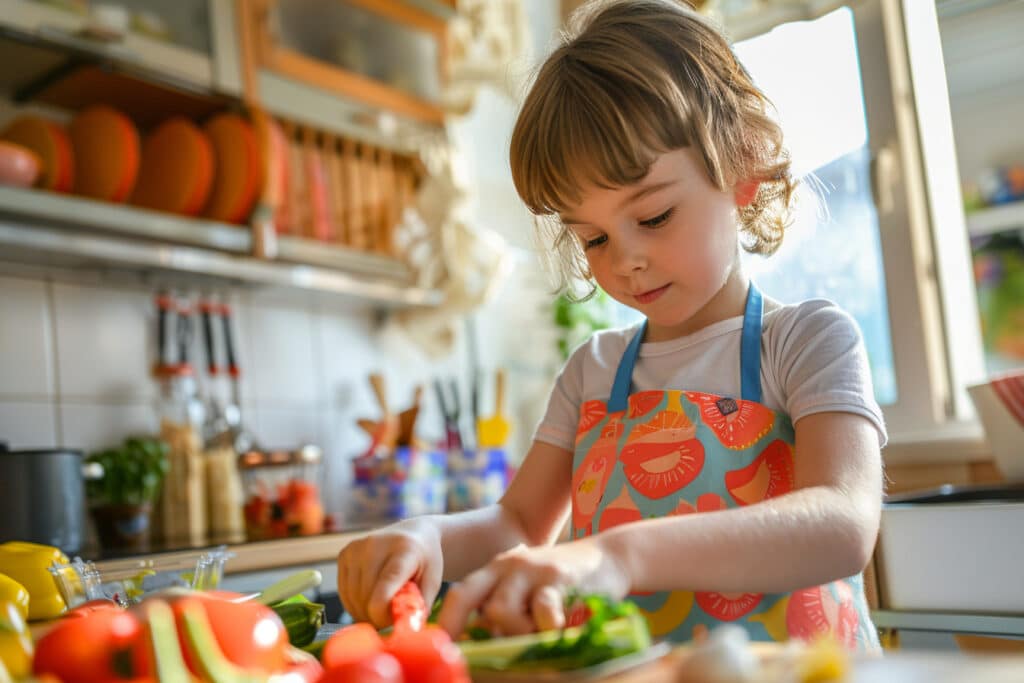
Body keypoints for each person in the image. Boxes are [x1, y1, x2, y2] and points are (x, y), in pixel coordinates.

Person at [337, 0, 884, 650]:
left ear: (741, 161)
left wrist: (617, 555)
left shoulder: (805, 342)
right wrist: (429, 534)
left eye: (652, 217)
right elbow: (517, 523)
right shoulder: (593, 371)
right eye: (593, 237)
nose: (625, 259)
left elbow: (844, 523)